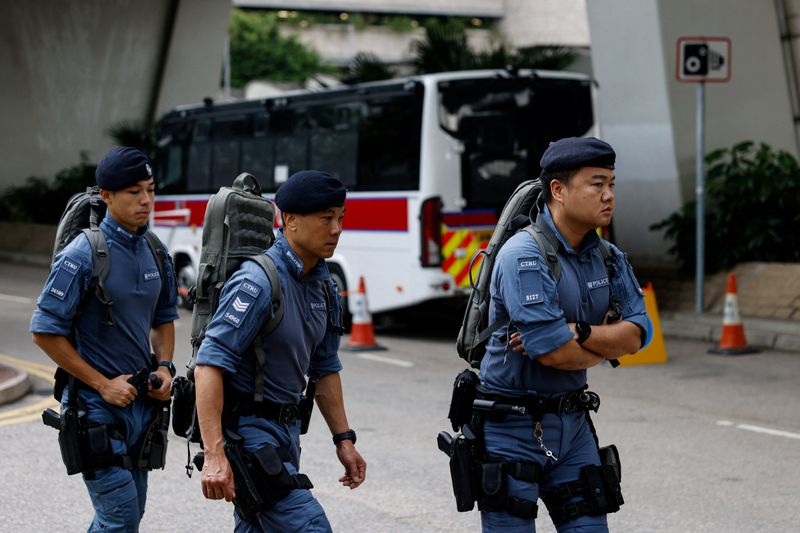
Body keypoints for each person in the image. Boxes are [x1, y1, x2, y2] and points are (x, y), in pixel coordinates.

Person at [477, 137, 648, 531]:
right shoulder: (523, 255)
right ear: (558, 189)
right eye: (597, 184)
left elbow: (640, 334)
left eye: (612, 185)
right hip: (511, 430)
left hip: (573, 427)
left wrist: (580, 332)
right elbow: (552, 352)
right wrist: (605, 340)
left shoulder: (609, 256)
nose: (609, 196)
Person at [194, 170, 367, 532]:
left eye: (341, 217)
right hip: (250, 436)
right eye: (326, 219)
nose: (337, 229)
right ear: (289, 220)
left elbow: (324, 367)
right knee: (311, 527)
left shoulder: (324, 288)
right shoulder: (257, 282)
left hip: (287, 435)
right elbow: (209, 364)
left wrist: (344, 440)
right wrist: (214, 454)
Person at [30, 147, 179, 532]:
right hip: (94, 408)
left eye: (150, 189)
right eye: (133, 192)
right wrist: (101, 384)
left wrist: (164, 366)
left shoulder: (155, 251)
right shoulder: (82, 254)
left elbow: (163, 319)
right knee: (121, 518)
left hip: (141, 408)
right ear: (107, 196)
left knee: (129, 516)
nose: (146, 200)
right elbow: (44, 331)